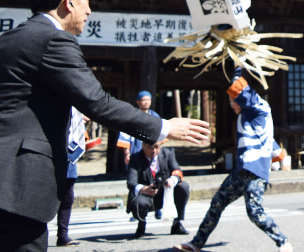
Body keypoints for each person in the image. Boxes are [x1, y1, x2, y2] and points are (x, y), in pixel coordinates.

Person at [0, 0, 211, 252]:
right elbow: (97, 102)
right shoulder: (54, 40)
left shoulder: (5, 40)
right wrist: (163, 126)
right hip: (14, 186)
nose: (90, 12)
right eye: (87, 2)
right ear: (69, 0)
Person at [174, 66, 292, 252]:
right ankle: (196, 243)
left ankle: (283, 241)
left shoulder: (260, 108)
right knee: (217, 203)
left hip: (256, 171)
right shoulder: (247, 116)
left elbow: (240, 89)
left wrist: (237, 67)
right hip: (241, 170)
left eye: (232, 100)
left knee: (254, 211)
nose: (231, 103)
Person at [127, 140, 190, 238]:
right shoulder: (135, 158)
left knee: (183, 187)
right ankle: (141, 224)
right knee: (138, 202)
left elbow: (177, 171)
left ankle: (177, 224)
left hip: (164, 193)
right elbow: (131, 182)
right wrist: (144, 189)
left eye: (156, 147)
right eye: (150, 147)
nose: (153, 150)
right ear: (143, 146)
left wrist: (172, 180)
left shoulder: (168, 153)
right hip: (146, 195)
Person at [55, 108, 88, 247]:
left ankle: (62, 235)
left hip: (69, 152)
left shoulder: (75, 106)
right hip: (54, 148)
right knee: (46, 195)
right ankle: (36, 236)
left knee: (67, 196)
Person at [118, 90, 161, 165]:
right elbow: (125, 136)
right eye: (144, 100)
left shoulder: (155, 117)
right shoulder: (132, 117)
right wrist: (127, 153)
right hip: (135, 150)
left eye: (148, 100)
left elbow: (160, 136)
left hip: (151, 151)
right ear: (138, 102)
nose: (146, 102)